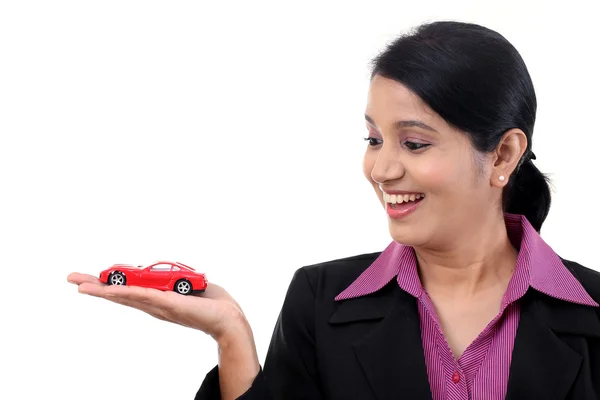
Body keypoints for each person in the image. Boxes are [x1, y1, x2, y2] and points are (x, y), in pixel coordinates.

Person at [67, 20, 600, 400]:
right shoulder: (319, 302)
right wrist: (231, 334)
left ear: (503, 155)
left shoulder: (593, 312)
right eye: (373, 139)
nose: (382, 170)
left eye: (414, 144)